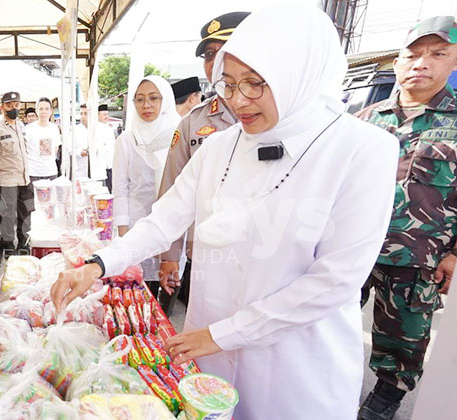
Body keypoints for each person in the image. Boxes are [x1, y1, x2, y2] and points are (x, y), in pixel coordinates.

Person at [50, 4, 399, 419]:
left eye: (255, 84)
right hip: (208, 352)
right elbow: (165, 220)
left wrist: (224, 334)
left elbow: (335, 282)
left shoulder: (363, 149)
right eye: (228, 85)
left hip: (294, 367)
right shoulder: (219, 146)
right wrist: (98, 263)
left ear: (298, 74)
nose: (239, 101)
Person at [355, 16, 457, 420]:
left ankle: (385, 398)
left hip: (418, 258)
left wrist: (454, 254)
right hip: (355, 248)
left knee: (404, 339)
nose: (421, 63)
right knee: (331, 322)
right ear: (397, 62)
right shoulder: (366, 120)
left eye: (437, 54)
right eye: (412, 54)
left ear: (454, 62)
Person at [157, 11, 248, 314]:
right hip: (207, 256)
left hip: (262, 259)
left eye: (226, 50)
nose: (216, 61)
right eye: (209, 54)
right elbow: (171, 191)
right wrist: (170, 255)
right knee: (208, 348)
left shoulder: (283, 117)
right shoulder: (192, 122)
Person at [112, 75, 180, 298]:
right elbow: (120, 188)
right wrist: (124, 235)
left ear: (166, 101)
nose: (146, 105)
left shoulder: (178, 136)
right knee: (142, 293)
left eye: (153, 98)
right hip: (137, 226)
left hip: (172, 226)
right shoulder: (128, 140)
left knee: (170, 287)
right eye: (139, 100)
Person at [0, 91, 33, 249]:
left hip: (24, 177)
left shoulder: (20, 125)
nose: (13, 108)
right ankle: (8, 246)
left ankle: (24, 243)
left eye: (16, 104)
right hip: (6, 180)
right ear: (1, 107)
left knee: (26, 211)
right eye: (9, 105)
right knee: (8, 216)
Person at [25, 97, 61, 182]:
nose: (43, 112)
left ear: (51, 111)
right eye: (41, 109)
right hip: (33, 172)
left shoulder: (54, 128)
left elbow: (56, 148)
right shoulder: (28, 129)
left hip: (51, 172)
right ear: (37, 111)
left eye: (46, 109)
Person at [97, 104, 116, 191]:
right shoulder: (95, 129)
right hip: (101, 165)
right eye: (104, 114)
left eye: (107, 114)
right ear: (98, 115)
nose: (106, 117)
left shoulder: (109, 128)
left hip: (110, 164)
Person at [73, 104, 90, 178]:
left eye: (85, 114)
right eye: (81, 114)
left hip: (97, 171)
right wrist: (79, 152)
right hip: (81, 171)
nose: (82, 116)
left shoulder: (99, 129)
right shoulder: (75, 130)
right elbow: (69, 148)